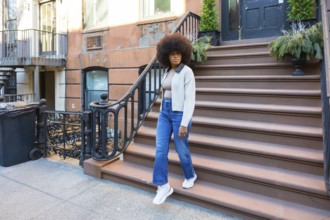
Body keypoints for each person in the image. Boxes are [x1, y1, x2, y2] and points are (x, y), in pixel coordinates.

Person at [152, 33, 197, 205]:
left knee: (181, 148)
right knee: (160, 149)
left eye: (178, 52)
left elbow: (190, 99)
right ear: (166, 55)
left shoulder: (187, 72)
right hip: (165, 113)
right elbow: (165, 93)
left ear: (183, 53)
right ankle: (163, 185)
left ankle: (190, 174)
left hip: (180, 114)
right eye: (172, 53)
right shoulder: (167, 71)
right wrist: (162, 109)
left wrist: (185, 122)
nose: (176, 55)